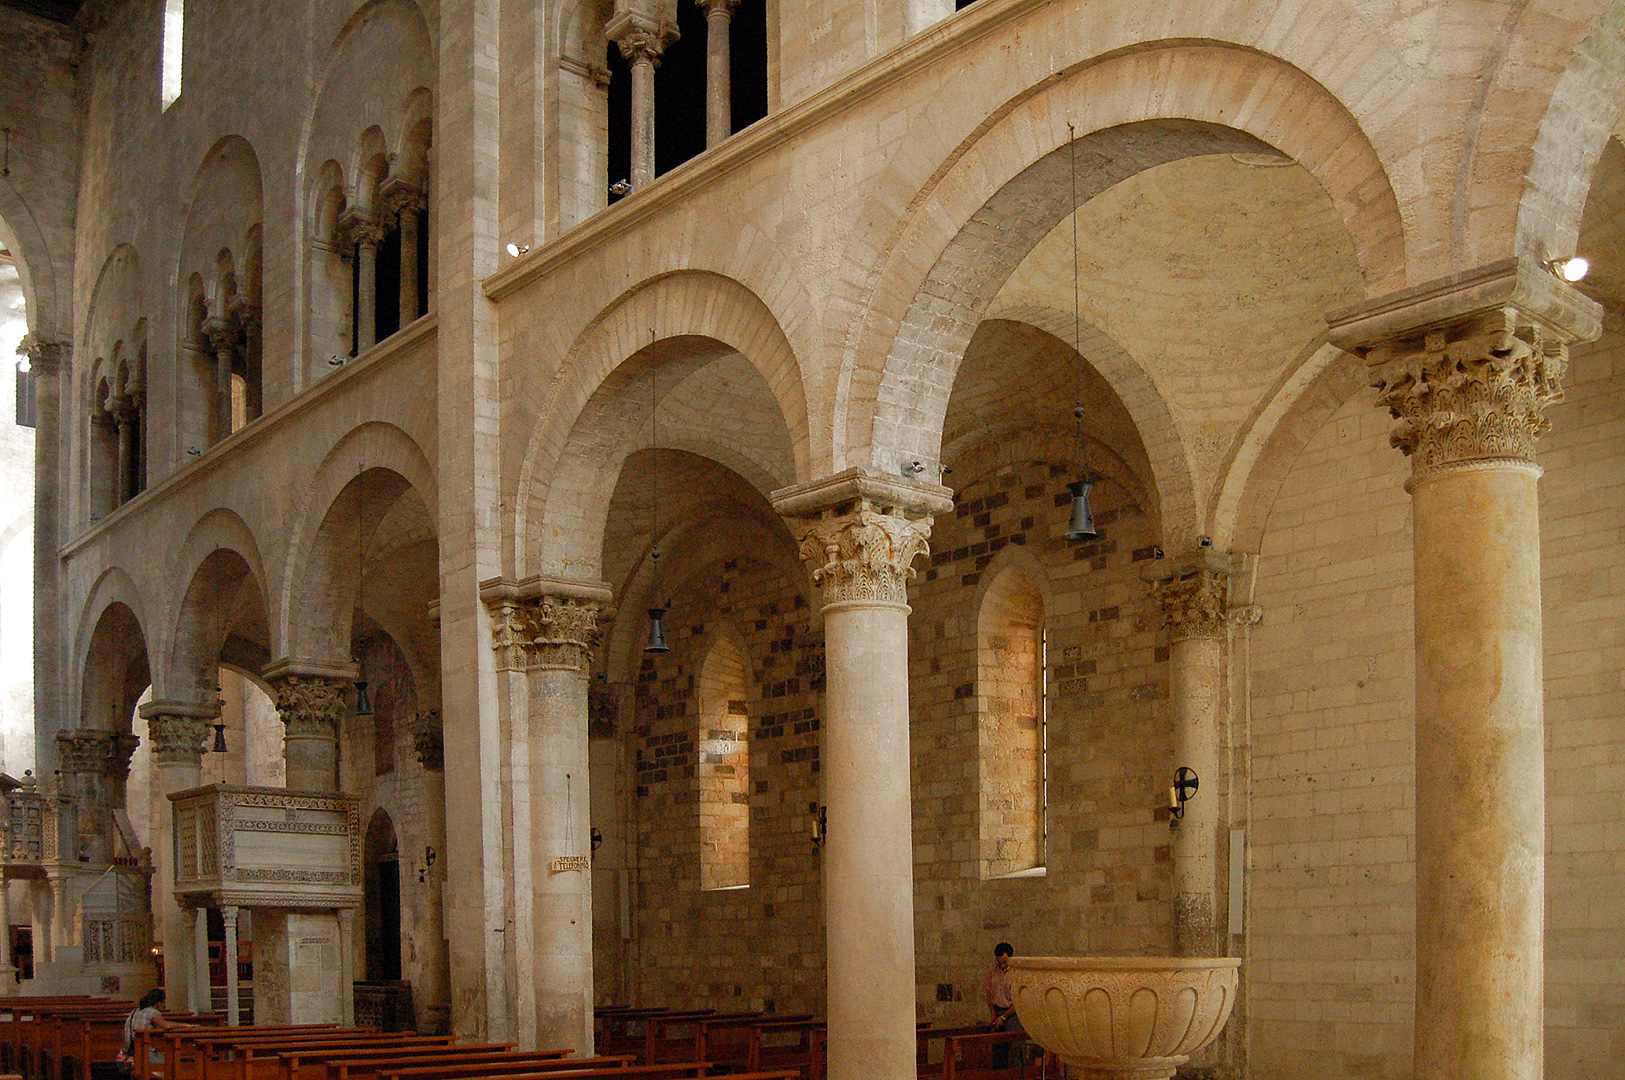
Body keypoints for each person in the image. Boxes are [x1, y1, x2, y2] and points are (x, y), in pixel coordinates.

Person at [119, 989, 185, 1078]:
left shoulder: (134, 1012)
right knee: (172, 1065)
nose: (164, 1005)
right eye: (163, 1002)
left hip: (129, 1052)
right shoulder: (152, 1012)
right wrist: (186, 1025)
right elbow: (166, 1025)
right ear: (158, 1003)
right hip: (144, 1053)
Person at [982, 942, 1023, 1068]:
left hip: (1012, 1014)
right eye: (999, 962)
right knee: (998, 1052)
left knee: (1017, 1050)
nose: (1001, 966)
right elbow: (988, 991)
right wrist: (993, 1013)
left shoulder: (1017, 973)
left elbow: (1019, 1001)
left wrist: (1004, 1017)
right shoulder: (993, 969)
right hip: (998, 1011)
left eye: (1004, 962)